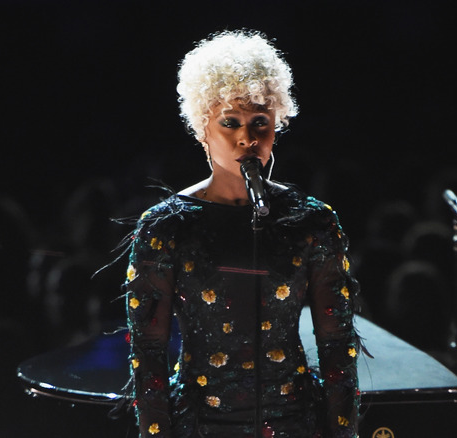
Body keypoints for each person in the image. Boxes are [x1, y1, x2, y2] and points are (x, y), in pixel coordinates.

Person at [119, 30, 360, 438]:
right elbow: (148, 353)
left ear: (276, 126)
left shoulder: (313, 221)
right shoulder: (166, 225)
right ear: (202, 129)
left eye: (259, 122)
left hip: (295, 424)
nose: (247, 137)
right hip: (200, 425)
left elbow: (338, 345)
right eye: (230, 122)